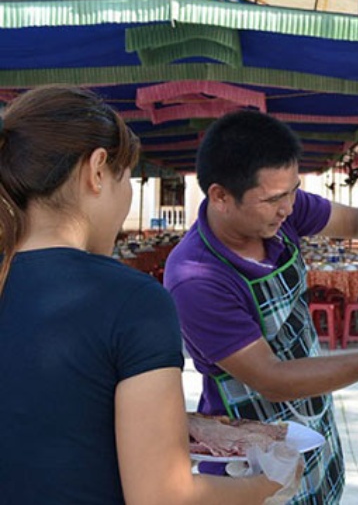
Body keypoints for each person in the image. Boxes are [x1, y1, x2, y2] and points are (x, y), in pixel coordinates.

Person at [0, 85, 284, 504]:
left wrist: (166, 424)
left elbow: (43, 418)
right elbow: (162, 496)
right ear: (98, 170)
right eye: (127, 177)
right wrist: (268, 484)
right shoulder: (133, 301)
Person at [164, 110, 358, 504]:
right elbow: (271, 379)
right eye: (273, 199)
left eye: (293, 192)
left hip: (313, 418)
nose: (287, 208)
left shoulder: (283, 212)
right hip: (250, 458)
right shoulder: (196, 277)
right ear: (220, 196)